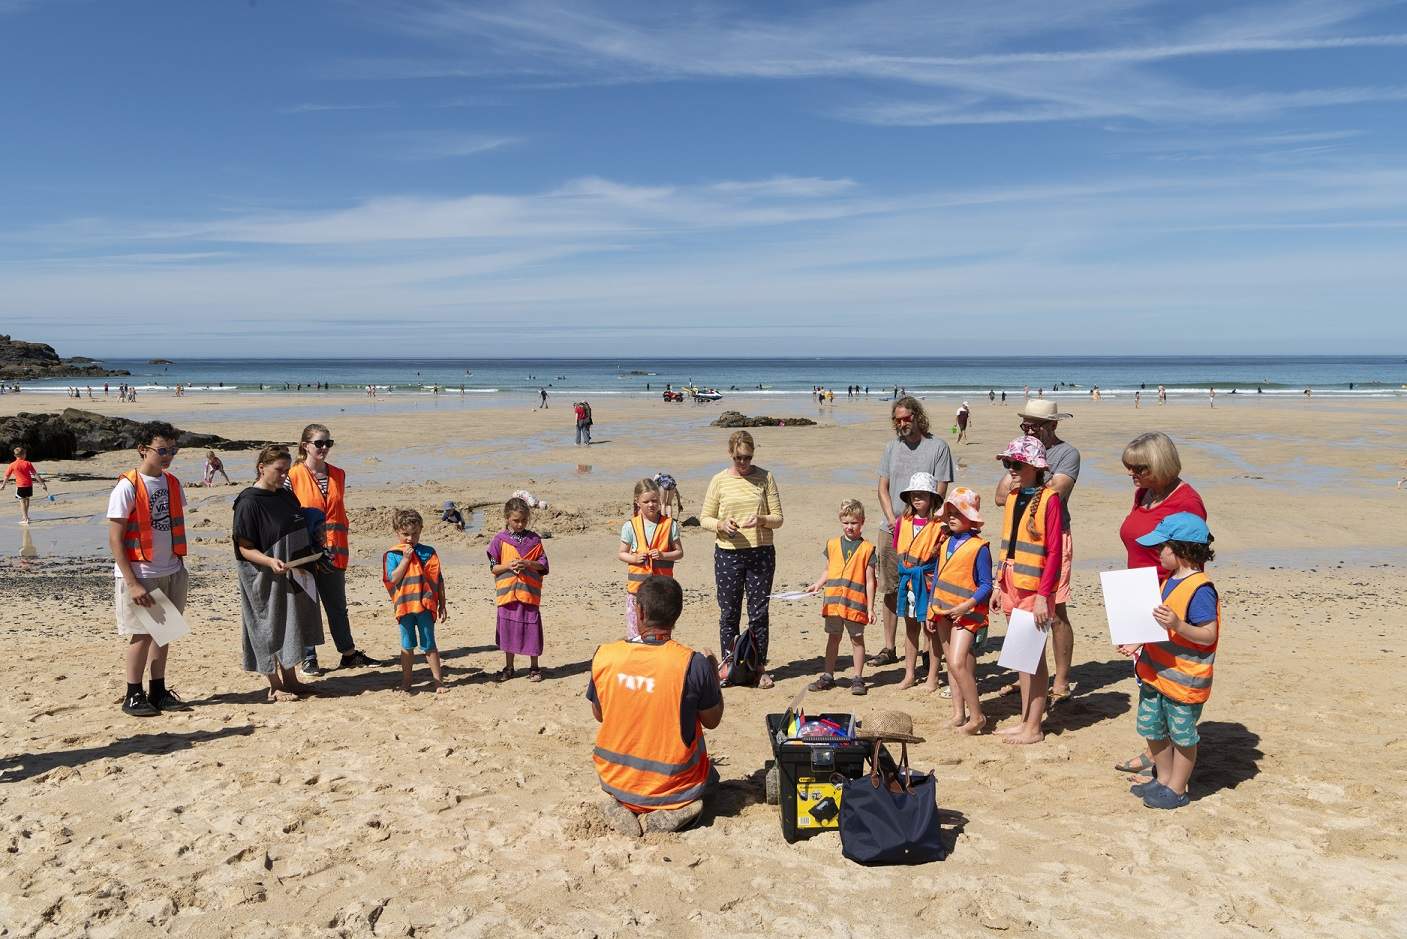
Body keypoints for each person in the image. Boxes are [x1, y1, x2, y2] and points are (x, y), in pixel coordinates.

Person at [587, 576, 723, 837]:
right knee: (712, 779)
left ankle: (622, 806)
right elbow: (712, 720)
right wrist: (713, 678)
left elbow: (599, 714)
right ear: (677, 615)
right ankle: (675, 812)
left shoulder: (605, 655)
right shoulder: (692, 663)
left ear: (640, 610)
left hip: (615, 778)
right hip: (673, 785)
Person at [1114, 432, 1209, 780]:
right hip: (1136, 596)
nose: (1132, 474)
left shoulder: (1187, 502)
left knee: (1166, 682)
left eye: (1139, 467)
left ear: (1161, 464)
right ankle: (1157, 752)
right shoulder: (1145, 493)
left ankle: (1166, 762)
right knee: (1145, 681)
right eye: (1129, 467)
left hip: (1165, 601)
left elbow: (1193, 560)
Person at [1118, 513, 1220, 810]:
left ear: (1182, 550)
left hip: (1184, 679)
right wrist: (1137, 641)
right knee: (1152, 728)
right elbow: (1157, 625)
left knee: (1183, 735)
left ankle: (1177, 787)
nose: (1158, 553)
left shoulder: (1200, 588)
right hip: (1156, 672)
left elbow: (1208, 634)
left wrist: (1178, 624)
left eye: (1162, 547)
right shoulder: (1167, 582)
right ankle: (1162, 778)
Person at [995, 399, 1080, 703]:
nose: (1028, 430)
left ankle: (1061, 678)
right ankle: (1031, 678)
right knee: (1022, 618)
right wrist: (1019, 464)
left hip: (1054, 538)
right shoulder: (1021, 456)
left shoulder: (1067, 453)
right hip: (1022, 544)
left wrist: (1030, 473)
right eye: (1025, 425)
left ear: (1052, 426)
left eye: (1034, 425)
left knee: (1055, 608)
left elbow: (1056, 490)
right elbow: (1001, 496)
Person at [107, 422, 193, 716]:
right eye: (162, 450)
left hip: (170, 568)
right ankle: (133, 694)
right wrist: (132, 583)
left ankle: (158, 691)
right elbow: (115, 538)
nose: (168, 455)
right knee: (142, 635)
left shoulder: (172, 483)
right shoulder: (127, 486)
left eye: (172, 450)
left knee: (164, 633)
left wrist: (178, 565)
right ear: (143, 450)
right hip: (141, 574)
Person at [233, 445, 325, 702]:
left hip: (294, 569)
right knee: (267, 625)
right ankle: (274, 685)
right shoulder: (248, 502)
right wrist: (269, 561)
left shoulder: (285, 495)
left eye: (286, 470)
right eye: (279, 470)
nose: (284, 475)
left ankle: (292, 680)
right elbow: (243, 547)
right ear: (262, 468)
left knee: (290, 624)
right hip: (264, 575)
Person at [286, 423, 379, 676]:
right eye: (319, 443)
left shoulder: (338, 474)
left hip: (335, 550)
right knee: (307, 604)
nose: (325, 448)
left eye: (329, 443)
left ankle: (348, 654)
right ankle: (308, 657)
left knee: (337, 606)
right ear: (305, 445)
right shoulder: (293, 475)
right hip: (304, 552)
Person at [870, 397, 954, 673]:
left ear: (918, 417)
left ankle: (930, 651)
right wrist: (894, 520)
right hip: (891, 529)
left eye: (907, 418)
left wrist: (928, 522)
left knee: (926, 589)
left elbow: (941, 490)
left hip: (926, 531)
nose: (902, 423)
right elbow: (882, 487)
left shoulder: (938, 447)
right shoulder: (890, 448)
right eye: (897, 419)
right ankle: (889, 647)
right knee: (891, 588)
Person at [699, 431, 784, 689]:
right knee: (729, 613)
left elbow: (778, 519)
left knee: (758, 614)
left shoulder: (765, 477)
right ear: (730, 455)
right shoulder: (719, 481)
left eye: (747, 458)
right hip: (728, 553)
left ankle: (758, 668)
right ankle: (729, 665)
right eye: (738, 458)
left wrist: (761, 519)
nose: (743, 463)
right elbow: (704, 518)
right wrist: (721, 524)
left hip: (761, 552)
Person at [994, 436, 1063, 745]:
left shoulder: (1050, 499)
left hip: (1033, 588)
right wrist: (997, 584)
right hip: (1010, 582)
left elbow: (1054, 553)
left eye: (1017, 464)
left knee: (1033, 658)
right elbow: (1007, 545)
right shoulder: (1013, 496)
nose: (1012, 469)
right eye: (1009, 464)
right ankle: (1025, 720)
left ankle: (1034, 726)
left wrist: (1044, 597)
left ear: (1035, 467)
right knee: (1022, 658)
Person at [928, 487, 992, 735]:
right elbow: (937, 578)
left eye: (958, 513)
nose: (951, 517)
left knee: (957, 662)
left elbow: (987, 584)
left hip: (967, 613)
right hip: (943, 609)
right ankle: (959, 713)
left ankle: (977, 717)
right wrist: (930, 611)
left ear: (971, 517)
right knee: (951, 664)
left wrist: (967, 605)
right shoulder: (946, 542)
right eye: (949, 512)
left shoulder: (980, 547)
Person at [804, 499, 875, 696]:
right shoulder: (833, 544)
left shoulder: (868, 549)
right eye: (846, 522)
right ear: (840, 521)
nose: (850, 527)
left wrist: (870, 608)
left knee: (857, 639)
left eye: (854, 522)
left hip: (855, 604)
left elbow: (870, 581)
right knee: (833, 638)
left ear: (862, 522)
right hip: (834, 602)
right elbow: (828, 570)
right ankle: (828, 675)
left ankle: (858, 678)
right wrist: (818, 584)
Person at [383, 508, 448, 693]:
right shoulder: (393, 554)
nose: (410, 538)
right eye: (405, 534)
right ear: (397, 532)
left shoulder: (429, 552)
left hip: (425, 606)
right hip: (404, 607)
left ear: (421, 530)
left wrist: (442, 604)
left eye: (414, 534)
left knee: (429, 644)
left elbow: (438, 580)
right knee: (407, 644)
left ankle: (438, 682)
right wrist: (405, 560)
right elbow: (393, 579)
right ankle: (406, 682)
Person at [893, 473, 945, 691]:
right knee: (910, 629)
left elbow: (942, 556)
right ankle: (909, 674)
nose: (917, 499)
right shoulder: (902, 522)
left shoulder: (939, 525)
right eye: (914, 495)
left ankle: (933, 675)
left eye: (922, 495)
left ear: (932, 498)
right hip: (908, 582)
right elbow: (897, 546)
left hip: (929, 581)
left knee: (931, 630)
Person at [488, 496, 548, 682]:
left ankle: (534, 667)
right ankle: (509, 667)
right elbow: (493, 567)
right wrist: (509, 566)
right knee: (508, 631)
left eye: (523, 520)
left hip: (528, 595)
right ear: (507, 518)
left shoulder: (534, 540)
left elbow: (543, 565)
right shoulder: (499, 541)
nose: (520, 524)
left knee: (531, 629)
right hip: (508, 596)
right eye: (516, 520)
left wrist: (528, 563)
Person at [618, 478, 684, 640]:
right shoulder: (630, 526)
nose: (651, 505)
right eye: (646, 501)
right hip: (637, 592)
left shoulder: (670, 525)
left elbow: (679, 552)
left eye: (654, 501)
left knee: (660, 633)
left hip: (662, 591)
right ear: (637, 502)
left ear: (660, 500)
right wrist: (634, 558)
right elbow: (621, 553)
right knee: (636, 634)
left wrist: (663, 555)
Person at [2, 446, 48, 525]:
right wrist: (42, 484)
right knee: (27, 500)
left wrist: (3, 485)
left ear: (15, 455)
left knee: (22, 502)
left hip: (20, 486)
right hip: (29, 485)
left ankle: (25, 518)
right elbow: (35, 474)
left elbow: (7, 476)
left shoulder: (12, 465)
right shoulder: (28, 463)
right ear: (23, 455)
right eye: (25, 454)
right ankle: (26, 516)